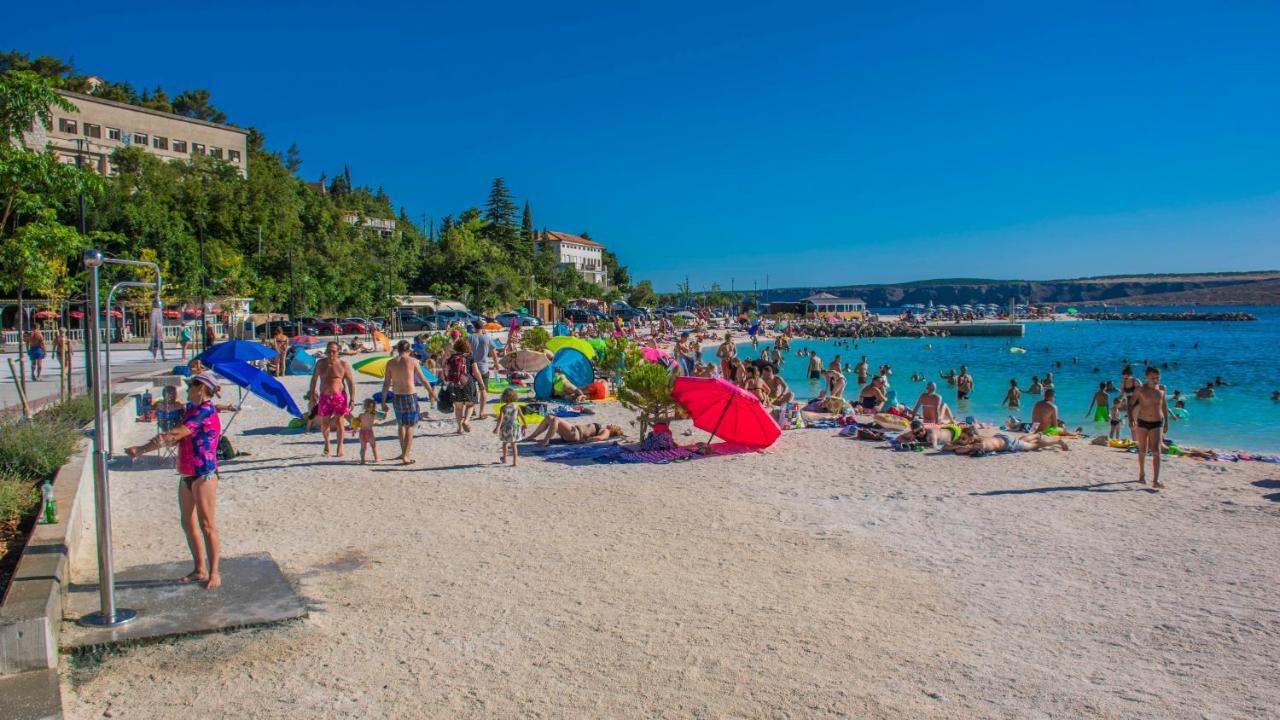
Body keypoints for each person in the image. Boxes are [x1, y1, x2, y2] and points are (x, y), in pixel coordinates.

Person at [124, 372, 226, 589]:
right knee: (187, 523)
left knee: (207, 525)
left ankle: (214, 572)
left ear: (201, 389)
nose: (187, 389)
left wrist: (141, 450)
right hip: (187, 472)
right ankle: (200, 569)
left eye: (190, 386)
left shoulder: (204, 411)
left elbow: (173, 435)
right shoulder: (191, 410)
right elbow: (177, 437)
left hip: (204, 473)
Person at [381, 340, 434, 465]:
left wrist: (383, 401)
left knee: (401, 425)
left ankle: (403, 452)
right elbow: (423, 380)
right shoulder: (412, 361)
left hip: (396, 396)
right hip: (409, 395)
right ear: (408, 349)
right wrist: (431, 393)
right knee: (410, 426)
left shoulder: (390, 363)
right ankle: (406, 456)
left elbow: (386, 383)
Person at [309, 341, 357, 456]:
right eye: (329, 351)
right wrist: (312, 396)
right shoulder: (320, 364)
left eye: (333, 351)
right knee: (325, 422)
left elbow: (351, 383)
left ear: (338, 352)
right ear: (326, 351)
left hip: (339, 397)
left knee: (340, 422)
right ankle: (327, 443)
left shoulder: (343, 365)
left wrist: (352, 399)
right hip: (325, 397)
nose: (331, 353)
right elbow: (314, 380)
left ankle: (340, 447)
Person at [1129, 366, 1171, 489]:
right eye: (1153, 377)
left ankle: (1155, 480)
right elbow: (1131, 404)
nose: (1155, 379)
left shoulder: (1162, 389)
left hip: (1157, 423)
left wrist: (1167, 422)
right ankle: (1142, 473)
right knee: (1143, 449)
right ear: (1146, 377)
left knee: (1156, 451)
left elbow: (1164, 406)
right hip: (1142, 422)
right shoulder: (1141, 390)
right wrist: (1131, 419)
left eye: (1157, 377)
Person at [444, 337, 484, 433]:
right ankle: (466, 421)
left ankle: (459, 428)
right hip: (468, 382)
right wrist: (481, 383)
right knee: (470, 405)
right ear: (467, 346)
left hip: (455, 383)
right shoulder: (469, 356)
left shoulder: (451, 358)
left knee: (458, 407)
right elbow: (476, 372)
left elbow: (446, 371)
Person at [469, 320, 500, 418]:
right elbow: (494, 353)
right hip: (483, 368)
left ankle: (472, 409)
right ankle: (481, 413)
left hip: (471, 367)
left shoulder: (469, 337)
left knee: (471, 390)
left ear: (474, 327)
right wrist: (496, 364)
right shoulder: (488, 338)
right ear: (483, 328)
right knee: (483, 390)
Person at [522, 417, 624, 446]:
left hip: (576, 434)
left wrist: (588, 439)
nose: (611, 424)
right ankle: (532, 436)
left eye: (614, 425)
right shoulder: (605, 429)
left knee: (555, 420)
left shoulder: (606, 431)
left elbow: (602, 438)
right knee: (549, 418)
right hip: (573, 431)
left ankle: (546, 440)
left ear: (613, 429)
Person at [494, 388, 522, 466]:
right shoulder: (517, 407)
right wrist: (525, 425)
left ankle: (505, 458)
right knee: (514, 445)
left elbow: (500, 419)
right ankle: (515, 462)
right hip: (515, 427)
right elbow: (522, 416)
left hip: (506, 428)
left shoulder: (503, 408)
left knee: (504, 443)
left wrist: (497, 428)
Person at [356, 399, 380, 465]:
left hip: (362, 433)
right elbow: (382, 417)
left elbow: (356, 424)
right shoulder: (373, 415)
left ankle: (363, 460)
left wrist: (354, 431)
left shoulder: (361, 415)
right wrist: (385, 412)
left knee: (363, 448)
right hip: (369, 432)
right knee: (373, 446)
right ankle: (376, 458)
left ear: (364, 407)